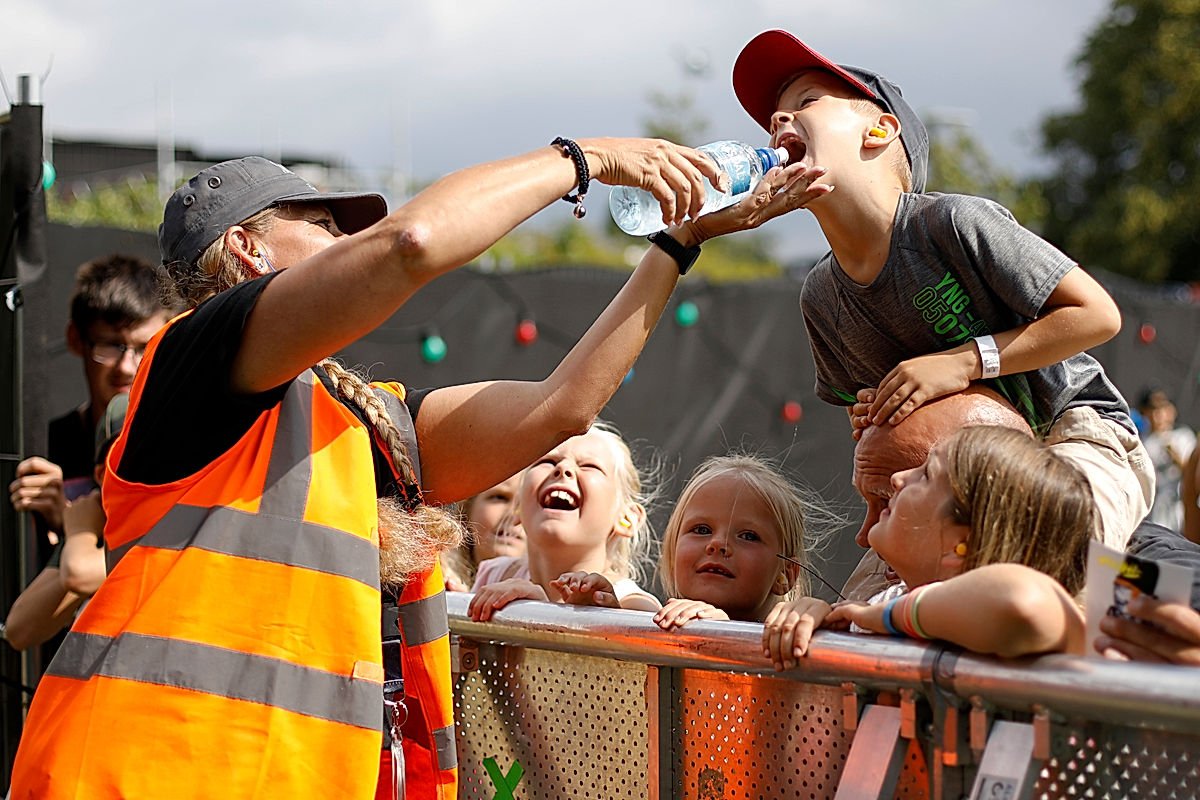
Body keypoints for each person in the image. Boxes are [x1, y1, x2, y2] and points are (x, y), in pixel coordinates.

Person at [11, 141, 831, 800]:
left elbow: (560, 408)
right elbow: (412, 243)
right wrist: (585, 161)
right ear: (249, 247)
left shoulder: (364, 416)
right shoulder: (189, 359)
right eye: (325, 225)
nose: (344, 242)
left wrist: (676, 244)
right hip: (140, 772)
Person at [731, 30, 1153, 550]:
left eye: (808, 102)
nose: (778, 121)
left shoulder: (951, 223)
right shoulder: (821, 295)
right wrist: (873, 415)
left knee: (1056, 556)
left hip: (1071, 435)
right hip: (945, 480)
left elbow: (1097, 315)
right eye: (776, 116)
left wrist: (962, 362)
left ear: (881, 130)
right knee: (866, 608)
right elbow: (868, 431)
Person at [764, 426, 1095, 670]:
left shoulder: (1058, 631)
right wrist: (817, 618)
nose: (899, 478)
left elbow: (1021, 603)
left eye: (926, 475)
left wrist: (882, 617)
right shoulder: (888, 602)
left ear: (961, 545)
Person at [9, 254, 177, 558]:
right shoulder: (44, 449)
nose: (127, 367)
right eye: (111, 345)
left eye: (145, 348)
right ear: (75, 339)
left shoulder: (184, 451)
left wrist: (73, 530)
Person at [557, 453, 822, 629]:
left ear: (785, 574)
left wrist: (722, 634)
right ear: (671, 558)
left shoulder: (791, 635)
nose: (717, 545)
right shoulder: (650, 625)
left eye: (748, 536)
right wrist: (603, 614)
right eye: (701, 529)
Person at [841, 386, 1031, 602]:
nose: (863, 537)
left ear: (967, 540)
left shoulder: (1015, 607)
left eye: (926, 474)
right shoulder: (877, 600)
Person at [467, 422, 661, 618]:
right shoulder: (495, 574)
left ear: (627, 518)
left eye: (589, 466)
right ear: (519, 506)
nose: (562, 468)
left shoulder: (635, 607)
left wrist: (537, 611)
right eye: (547, 461)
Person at [4, 394, 127, 652]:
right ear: (101, 475)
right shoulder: (101, 527)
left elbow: (79, 574)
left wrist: (79, 531)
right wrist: (80, 533)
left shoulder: (177, 521)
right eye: (125, 455)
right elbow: (20, 629)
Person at [442, 472, 526, 591]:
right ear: (466, 511)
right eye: (500, 497)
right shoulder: (435, 579)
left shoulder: (558, 595)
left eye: (526, 501)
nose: (512, 514)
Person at [1138, 387, 1196, 532]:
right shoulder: (1142, 443)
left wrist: (1177, 457)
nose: (1158, 415)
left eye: (1163, 408)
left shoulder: (1184, 437)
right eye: (1152, 410)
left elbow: (1194, 478)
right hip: (1153, 517)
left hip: (1180, 515)